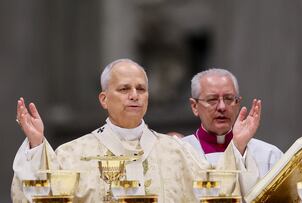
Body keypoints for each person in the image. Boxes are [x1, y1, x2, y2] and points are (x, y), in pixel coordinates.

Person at [11, 59, 240, 202]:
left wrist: (238, 145)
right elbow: (36, 196)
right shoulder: (72, 154)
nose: (134, 95)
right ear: (104, 99)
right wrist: (37, 144)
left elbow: (220, 192)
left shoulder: (177, 152)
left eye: (141, 88)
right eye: (124, 89)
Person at [183, 68, 283, 195]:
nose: (222, 107)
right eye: (212, 99)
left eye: (229, 98)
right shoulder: (179, 153)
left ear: (238, 103)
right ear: (194, 106)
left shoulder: (270, 156)